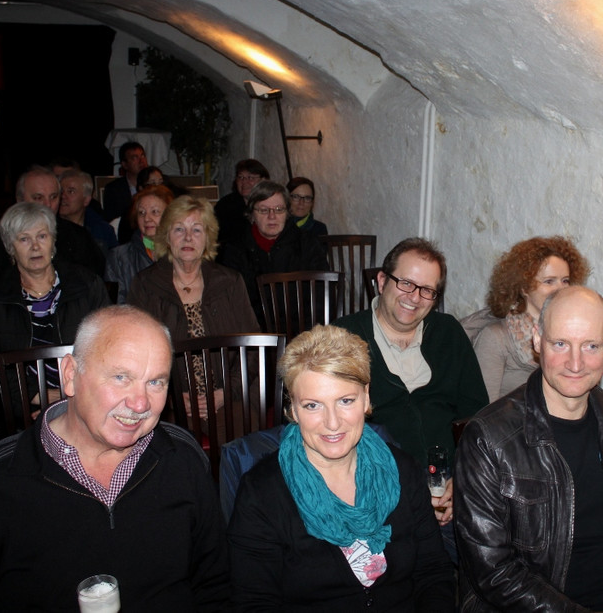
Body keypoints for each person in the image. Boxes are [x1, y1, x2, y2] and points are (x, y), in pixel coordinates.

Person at [0, 305, 231, 611]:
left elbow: (216, 586)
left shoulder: (183, 459)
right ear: (70, 375)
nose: (140, 404)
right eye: (121, 377)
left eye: (156, 382)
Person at [454, 286, 603, 611]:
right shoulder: (488, 438)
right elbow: (494, 571)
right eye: (560, 344)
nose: (575, 363)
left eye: (591, 346)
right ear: (537, 340)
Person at [228, 325, 454, 610]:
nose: (332, 423)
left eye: (345, 401)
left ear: (366, 397)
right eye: (313, 405)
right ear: (293, 409)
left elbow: (433, 573)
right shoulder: (262, 493)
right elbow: (254, 602)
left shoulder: (402, 470)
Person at [334, 237, 488, 529]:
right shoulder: (342, 338)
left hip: (449, 490)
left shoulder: (448, 333)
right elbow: (331, 432)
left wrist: (461, 478)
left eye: (427, 290)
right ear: (382, 281)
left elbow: (476, 418)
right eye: (405, 283)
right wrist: (408, 492)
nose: (414, 297)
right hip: (376, 493)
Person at [0, 202, 110, 457]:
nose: (35, 246)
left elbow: (109, 347)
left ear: (53, 241)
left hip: (84, 401)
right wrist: (33, 395)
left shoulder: (87, 285)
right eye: (24, 239)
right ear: (10, 247)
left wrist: (72, 395)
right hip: (13, 412)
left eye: (42, 236)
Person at [127, 195, 258, 418]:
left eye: (197, 230)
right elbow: (133, 352)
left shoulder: (229, 282)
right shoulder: (145, 284)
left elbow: (252, 347)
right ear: (167, 236)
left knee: (244, 436)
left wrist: (226, 392)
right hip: (164, 406)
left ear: (208, 237)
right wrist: (170, 397)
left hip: (228, 400)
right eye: (179, 229)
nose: (188, 237)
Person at [462, 235, 590, 402]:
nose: (560, 289)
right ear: (524, 287)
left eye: (565, 281)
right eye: (549, 281)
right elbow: (483, 412)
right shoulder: (496, 338)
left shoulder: (574, 334)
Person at [0, 165, 105, 300]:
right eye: (38, 198)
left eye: (53, 197)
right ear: (20, 200)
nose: (48, 205)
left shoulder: (77, 237)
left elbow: (94, 288)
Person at [220, 180, 330, 326]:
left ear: (287, 213)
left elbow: (321, 294)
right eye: (263, 210)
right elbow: (232, 302)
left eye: (279, 209)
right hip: (254, 332)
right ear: (252, 214)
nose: (272, 216)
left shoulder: (307, 244)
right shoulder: (236, 249)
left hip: (301, 330)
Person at [105, 184, 174, 303]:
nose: (147, 218)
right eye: (141, 213)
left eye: (155, 212)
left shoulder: (182, 253)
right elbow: (115, 305)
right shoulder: (119, 257)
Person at [59, 169, 118, 252]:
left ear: (86, 200)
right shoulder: (49, 228)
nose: (63, 196)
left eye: (71, 191)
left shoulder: (103, 231)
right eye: (61, 191)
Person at [214, 158, 268, 245]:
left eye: (250, 177)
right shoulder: (225, 205)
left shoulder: (270, 204)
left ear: (263, 180)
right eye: (241, 177)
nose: (244, 182)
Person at [102, 141, 148, 223]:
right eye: (135, 158)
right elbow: (111, 220)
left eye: (142, 156)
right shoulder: (113, 189)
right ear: (124, 165)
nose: (141, 161)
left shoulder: (155, 184)